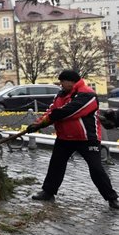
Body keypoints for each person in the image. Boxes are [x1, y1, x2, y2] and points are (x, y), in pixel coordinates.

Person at [26, 69, 119, 209]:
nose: (61, 84)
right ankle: (48, 192)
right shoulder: (61, 94)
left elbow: (70, 111)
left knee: (96, 169)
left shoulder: (88, 94)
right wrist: (37, 123)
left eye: (62, 81)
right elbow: (52, 111)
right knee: (56, 165)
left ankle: (112, 198)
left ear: (71, 81)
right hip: (64, 138)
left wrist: (45, 122)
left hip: (86, 138)